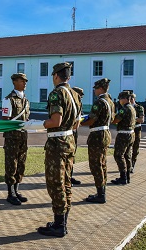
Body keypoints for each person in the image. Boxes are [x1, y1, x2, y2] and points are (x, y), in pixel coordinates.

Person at [37, 62, 81, 237]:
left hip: (57, 144)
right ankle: (63, 221)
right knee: (67, 182)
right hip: (70, 142)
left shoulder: (57, 93)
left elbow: (55, 121)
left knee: (56, 183)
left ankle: (59, 225)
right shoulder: (75, 94)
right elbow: (77, 122)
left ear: (56, 76)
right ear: (68, 77)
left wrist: (42, 124)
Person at [82, 78, 114, 204]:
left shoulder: (99, 102)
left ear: (100, 88)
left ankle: (100, 194)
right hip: (106, 133)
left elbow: (91, 120)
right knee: (103, 164)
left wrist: (79, 123)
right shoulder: (110, 101)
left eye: (95, 88)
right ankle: (102, 191)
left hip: (97, 135)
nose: (94, 91)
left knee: (96, 164)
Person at [1, 73, 30, 206]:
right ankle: (10, 193)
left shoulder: (26, 100)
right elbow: (5, 120)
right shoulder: (9, 99)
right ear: (14, 82)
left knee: (21, 163)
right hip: (12, 137)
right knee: (11, 164)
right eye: (22, 81)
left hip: (23, 136)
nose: (25, 83)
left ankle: (16, 190)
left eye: (25, 81)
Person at [111, 91, 136, 185]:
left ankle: (123, 177)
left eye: (120, 99)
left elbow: (116, 120)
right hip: (131, 134)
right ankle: (127, 176)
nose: (119, 101)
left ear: (125, 99)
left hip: (123, 135)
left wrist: (112, 116)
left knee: (118, 155)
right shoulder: (132, 108)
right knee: (127, 156)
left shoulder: (124, 109)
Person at [71, 86, 84, 185]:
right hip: (69, 132)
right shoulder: (70, 103)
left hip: (74, 132)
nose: (80, 98)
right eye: (79, 96)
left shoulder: (78, 104)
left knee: (72, 155)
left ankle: (69, 176)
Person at [130, 93, 144, 173]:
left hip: (136, 129)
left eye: (132, 99)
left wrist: (132, 118)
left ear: (134, 99)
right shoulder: (126, 107)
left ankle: (132, 164)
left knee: (135, 148)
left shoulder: (139, 108)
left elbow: (141, 120)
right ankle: (127, 165)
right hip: (128, 130)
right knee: (127, 148)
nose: (130, 100)